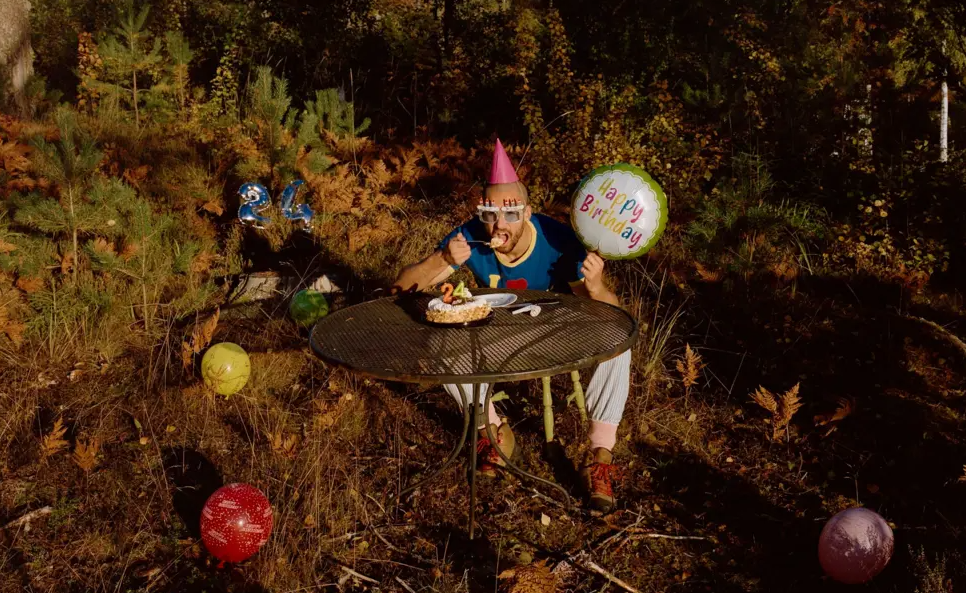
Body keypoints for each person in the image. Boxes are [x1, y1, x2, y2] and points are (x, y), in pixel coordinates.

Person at [392, 139, 632, 512]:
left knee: (618, 339)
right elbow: (401, 287)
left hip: (555, 331)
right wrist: (441, 259)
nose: (498, 225)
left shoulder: (556, 239)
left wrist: (597, 287)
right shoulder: (469, 237)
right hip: (495, 334)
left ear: (527, 212)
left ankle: (600, 455)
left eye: (510, 213)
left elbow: (612, 315)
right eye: (489, 213)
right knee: (440, 342)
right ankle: (491, 430)